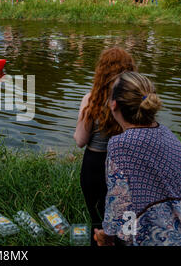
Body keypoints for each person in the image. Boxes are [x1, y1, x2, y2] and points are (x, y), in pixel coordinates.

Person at [94, 72, 181, 246]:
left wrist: (107, 236)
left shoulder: (120, 144)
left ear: (113, 104)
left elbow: (119, 205)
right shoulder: (166, 133)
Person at [74, 48, 137, 246]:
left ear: (100, 71)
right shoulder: (134, 101)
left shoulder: (91, 100)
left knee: (98, 220)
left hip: (95, 164)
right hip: (125, 164)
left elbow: (80, 141)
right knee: (126, 218)